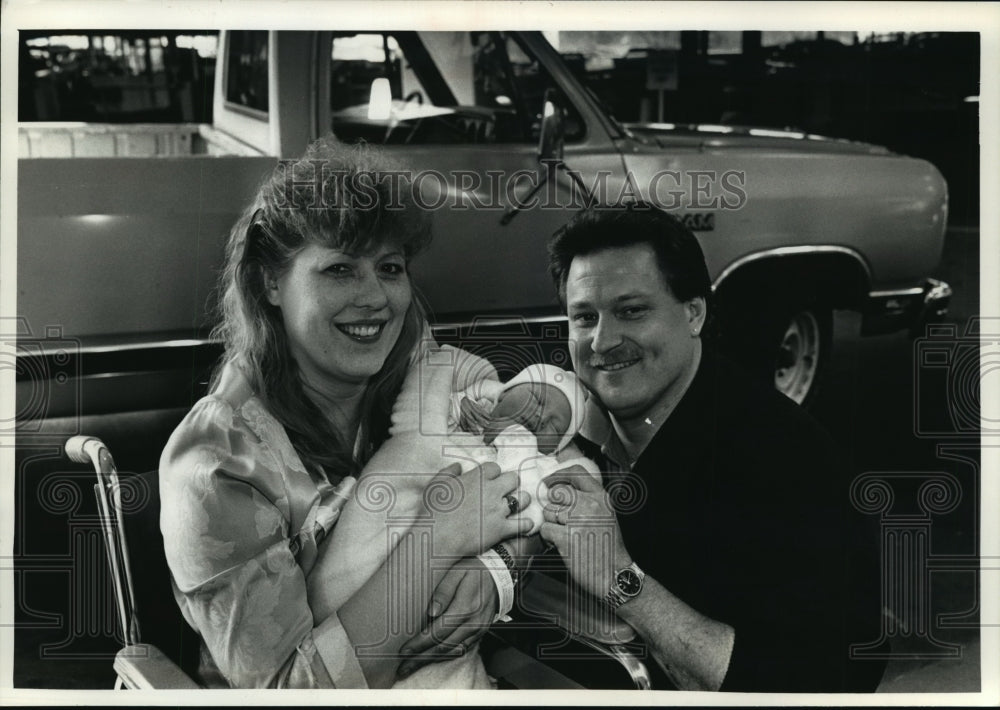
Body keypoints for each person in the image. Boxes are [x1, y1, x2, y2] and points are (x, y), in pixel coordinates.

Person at [158, 138, 532, 689]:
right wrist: (436, 542)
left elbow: (535, 481)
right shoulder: (217, 462)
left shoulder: (426, 381)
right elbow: (290, 689)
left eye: (390, 267)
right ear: (270, 283)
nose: (375, 297)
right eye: (339, 270)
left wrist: (498, 570)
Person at [536, 202, 886, 692]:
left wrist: (619, 577)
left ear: (693, 312)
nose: (601, 341)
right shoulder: (566, 423)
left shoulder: (787, 465)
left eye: (631, 311)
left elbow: (824, 684)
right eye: (583, 317)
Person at [319, 361, 600, 687]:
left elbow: (555, 498)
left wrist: (501, 564)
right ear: (501, 395)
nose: (538, 416)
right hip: (381, 534)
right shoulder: (455, 422)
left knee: (441, 662)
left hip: (449, 584)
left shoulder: (540, 464)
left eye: (554, 424)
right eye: (533, 399)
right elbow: (438, 373)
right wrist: (468, 402)